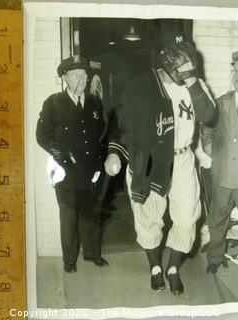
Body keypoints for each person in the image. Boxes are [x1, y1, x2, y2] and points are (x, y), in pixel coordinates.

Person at [104, 32, 215, 295]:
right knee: (149, 218)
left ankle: (174, 268)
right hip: (149, 161)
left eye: (191, 67)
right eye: (183, 67)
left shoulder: (194, 84)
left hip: (183, 157)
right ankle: (155, 268)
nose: (188, 72)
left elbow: (209, 115)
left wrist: (192, 82)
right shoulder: (142, 85)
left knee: (188, 217)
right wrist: (114, 153)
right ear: (169, 65)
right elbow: (121, 123)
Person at [36, 55, 108, 273]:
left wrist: (100, 161)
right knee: (68, 216)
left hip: (91, 171)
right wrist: (62, 158)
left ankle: (92, 254)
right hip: (66, 172)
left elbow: (102, 133)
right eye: (76, 75)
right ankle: (69, 261)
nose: (82, 79)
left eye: (84, 75)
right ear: (65, 77)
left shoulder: (95, 102)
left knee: (91, 213)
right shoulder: (53, 103)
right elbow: (42, 136)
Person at [201, 51, 238, 274]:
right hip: (224, 173)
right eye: (235, 71)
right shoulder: (221, 103)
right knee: (218, 219)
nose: (237, 76)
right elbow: (207, 129)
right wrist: (209, 148)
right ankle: (214, 257)